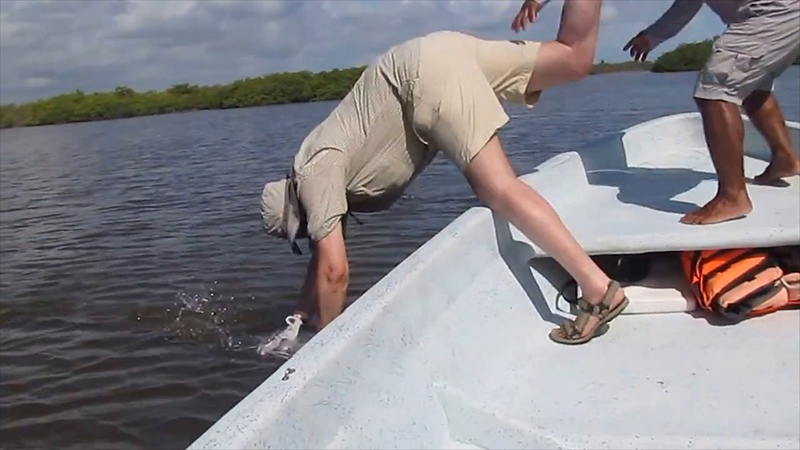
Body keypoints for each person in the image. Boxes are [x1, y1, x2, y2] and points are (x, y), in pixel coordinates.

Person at [258, 0, 628, 352]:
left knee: (499, 188)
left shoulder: (314, 173)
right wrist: (300, 316)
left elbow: (334, 271)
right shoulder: (314, 171)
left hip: (423, 76)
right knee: (572, 57)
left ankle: (598, 289)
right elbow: (320, 263)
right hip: (439, 52)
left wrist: (320, 348)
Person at [624, 0, 800, 226]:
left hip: (769, 13)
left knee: (715, 90)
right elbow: (686, 5)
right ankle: (784, 158)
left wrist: (652, 36)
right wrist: (653, 35)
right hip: (786, 13)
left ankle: (732, 196)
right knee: (753, 88)